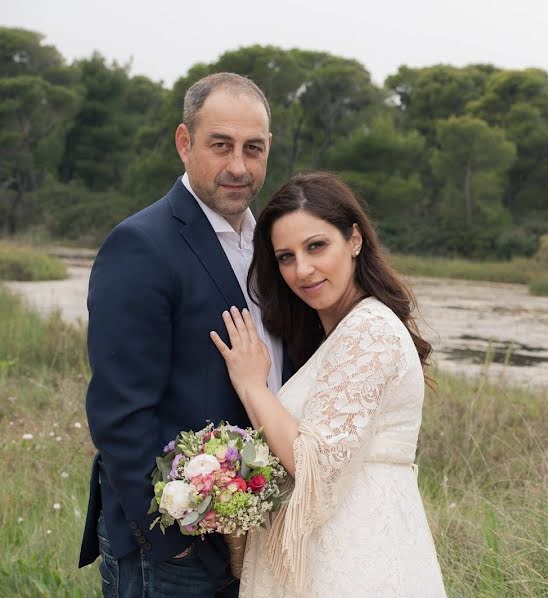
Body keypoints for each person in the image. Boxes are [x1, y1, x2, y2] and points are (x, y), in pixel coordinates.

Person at [79, 72, 293, 597]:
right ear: (184, 143)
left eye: (254, 148)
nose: (239, 166)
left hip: (258, 535)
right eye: (221, 145)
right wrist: (170, 536)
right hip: (175, 547)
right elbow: (119, 412)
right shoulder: (141, 245)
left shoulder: (273, 244)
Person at [210, 172, 447, 597]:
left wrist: (252, 386)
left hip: (359, 556)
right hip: (335, 549)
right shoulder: (338, 334)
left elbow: (314, 464)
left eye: (316, 246)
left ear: (354, 240)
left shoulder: (370, 330)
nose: (302, 269)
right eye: (285, 256)